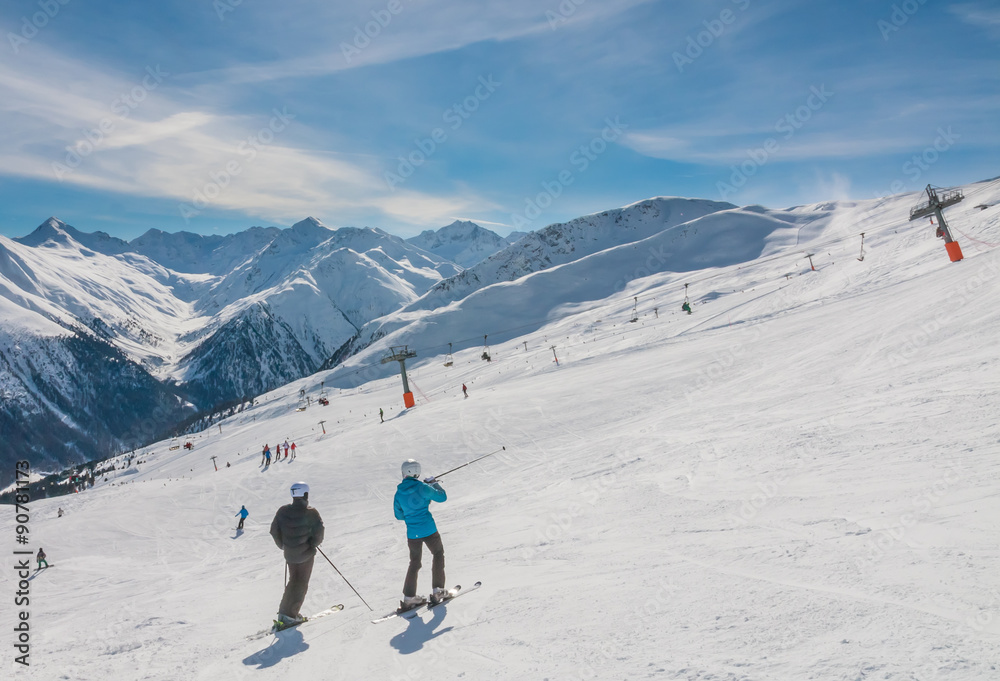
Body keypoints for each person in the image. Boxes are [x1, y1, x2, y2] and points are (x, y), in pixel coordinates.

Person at [393, 459, 448, 610]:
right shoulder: (423, 487)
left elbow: (399, 515)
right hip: (429, 529)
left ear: (404, 473)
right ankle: (438, 591)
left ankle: (409, 598)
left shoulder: (399, 493)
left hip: (413, 534)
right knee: (437, 553)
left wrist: (410, 516)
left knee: (415, 562)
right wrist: (434, 483)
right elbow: (442, 497)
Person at [270, 482, 325, 628]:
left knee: (293, 581)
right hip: (305, 555)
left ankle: (284, 613)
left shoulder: (282, 511)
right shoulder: (311, 512)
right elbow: (319, 533)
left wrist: (283, 545)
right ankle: (290, 615)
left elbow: (274, 531)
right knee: (301, 583)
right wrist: (312, 544)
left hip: (290, 554)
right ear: (306, 494)